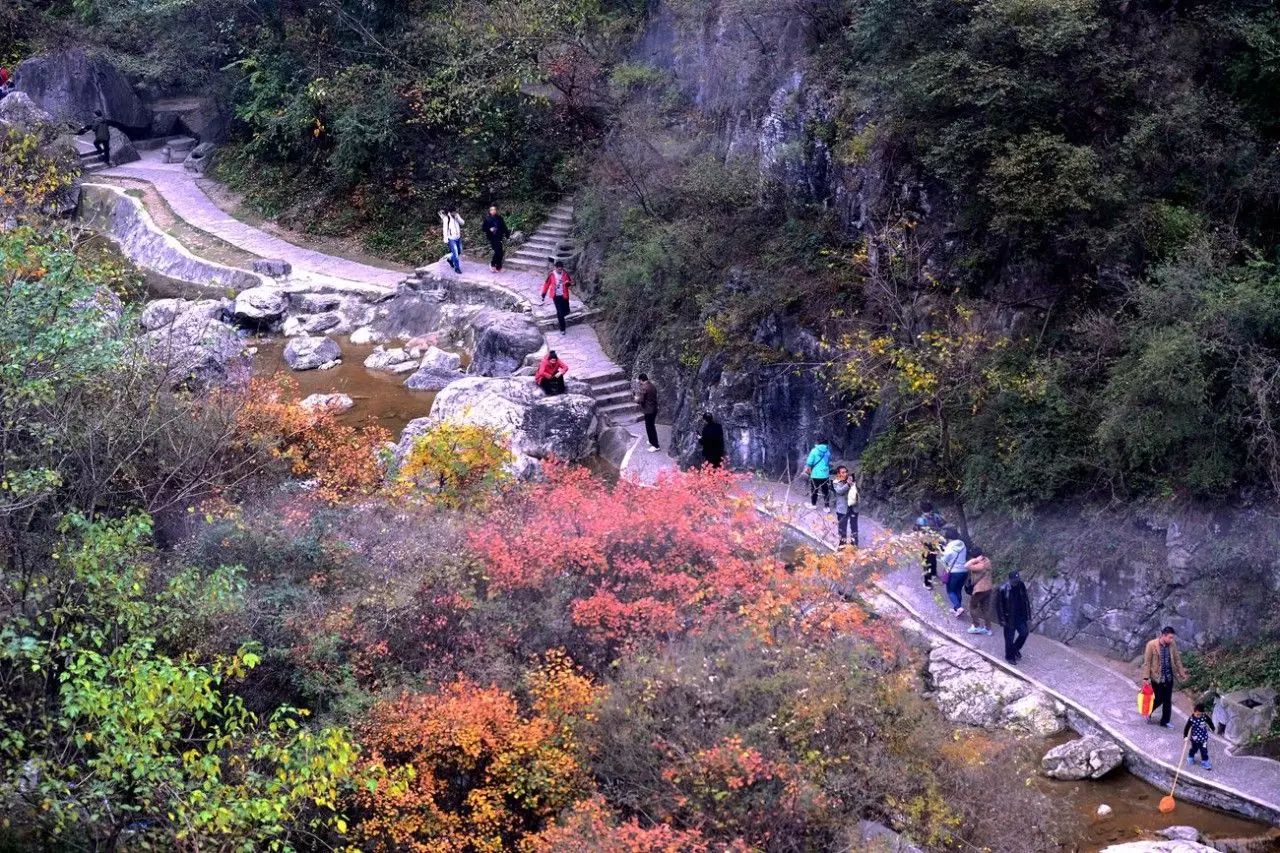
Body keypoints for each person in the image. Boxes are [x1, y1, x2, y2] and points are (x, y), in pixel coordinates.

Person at [1142, 626, 1189, 729]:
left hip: (1168, 677)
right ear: (1163, 635)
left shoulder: (1172, 644)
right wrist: (1146, 678)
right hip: (1157, 677)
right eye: (1170, 637)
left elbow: (1177, 659)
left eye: (1172, 638)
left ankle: (1165, 721)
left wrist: (1182, 673)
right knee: (1158, 698)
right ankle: (1148, 712)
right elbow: (1147, 662)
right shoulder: (1151, 645)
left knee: (1167, 700)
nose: (1171, 640)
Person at [996, 570, 1031, 664]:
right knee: (1009, 638)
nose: (1016, 582)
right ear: (1010, 580)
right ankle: (1009, 657)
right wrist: (1002, 620)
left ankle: (1014, 649)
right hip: (1009, 618)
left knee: (1024, 633)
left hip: (1020, 616)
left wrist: (1028, 616)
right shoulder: (1003, 589)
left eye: (1017, 580)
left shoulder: (1021, 585)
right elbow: (999, 606)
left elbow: (1026, 601)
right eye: (1014, 581)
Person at [915, 500, 946, 589]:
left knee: (926, 562)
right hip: (935, 542)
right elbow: (943, 524)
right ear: (931, 509)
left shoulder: (920, 520)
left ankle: (927, 583)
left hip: (925, 545)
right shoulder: (936, 517)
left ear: (922, 510)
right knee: (933, 558)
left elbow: (917, 532)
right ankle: (934, 574)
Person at [964, 548, 994, 635]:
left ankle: (976, 626)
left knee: (972, 606)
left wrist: (976, 560)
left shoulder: (980, 565)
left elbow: (966, 566)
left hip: (980, 590)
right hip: (988, 588)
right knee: (985, 609)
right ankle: (988, 629)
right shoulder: (987, 560)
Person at [939, 526, 968, 616]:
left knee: (951, 591)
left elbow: (944, 560)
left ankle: (959, 608)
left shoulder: (950, 547)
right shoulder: (962, 544)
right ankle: (956, 609)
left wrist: (941, 552)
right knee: (958, 590)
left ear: (948, 537)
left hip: (954, 572)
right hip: (964, 571)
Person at [541, 260, 572, 334]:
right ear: (555, 268)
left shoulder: (565, 274)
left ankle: (560, 316)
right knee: (560, 313)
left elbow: (570, 282)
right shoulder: (551, 275)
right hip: (556, 297)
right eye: (559, 269)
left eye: (561, 269)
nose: (560, 270)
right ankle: (562, 329)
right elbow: (546, 284)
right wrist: (543, 294)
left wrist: (568, 283)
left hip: (564, 296)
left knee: (567, 311)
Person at [831, 465, 858, 547]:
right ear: (838, 474)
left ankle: (854, 545)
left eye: (846, 472)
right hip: (842, 509)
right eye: (842, 472)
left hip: (852, 507)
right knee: (842, 529)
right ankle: (842, 546)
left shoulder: (850, 480)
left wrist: (853, 483)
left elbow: (856, 492)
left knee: (854, 527)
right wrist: (848, 484)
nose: (845, 474)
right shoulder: (836, 482)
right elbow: (840, 491)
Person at [803, 439, 833, 512]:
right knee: (825, 491)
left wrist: (808, 468)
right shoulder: (828, 452)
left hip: (815, 474)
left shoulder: (814, 451)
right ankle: (827, 507)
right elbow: (829, 462)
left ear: (818, 443)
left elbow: (809, 462)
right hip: (825, 475)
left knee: (814, 490)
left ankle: (813, 505)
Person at [1184, 703, 1215, 770]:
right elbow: (1187, 727)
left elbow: (1210, 722)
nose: (1199, 716)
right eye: (1197, 714)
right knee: (1194, 749)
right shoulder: (1191, 719)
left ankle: (1205, 761)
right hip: (1195, 739)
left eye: (1200, 714)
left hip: (1203, 738)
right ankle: (1190, 756)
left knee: (1204, 750)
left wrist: (1212, 728)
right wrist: (1185, 736)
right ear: (1194, 712)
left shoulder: (1204, 717)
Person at [634, 374, 660, 452]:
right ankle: (651, 441)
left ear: (641, 380)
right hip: (654, 408)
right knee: (650, 426)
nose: (639, 382)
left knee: (650, 428)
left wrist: (636, 399)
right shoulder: (652, 385)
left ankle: (656, 445)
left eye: (639, 381)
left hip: (649, 410)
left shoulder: (644, 388)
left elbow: (641, 400)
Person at [482, 205, 509, 272]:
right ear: (489, 211)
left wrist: (507, 235)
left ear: (496, 210)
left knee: (500, 253)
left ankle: (498, 267)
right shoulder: (487, 219)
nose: (493, 211)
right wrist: (489, 229)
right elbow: (483, 228)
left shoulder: (499, 218)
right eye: (491, 210)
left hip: (499, 236)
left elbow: (504, 227)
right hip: (492, 237)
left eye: (494, 209)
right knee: (498, 252)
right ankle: (492, 264)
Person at [438, 206, 465, 274]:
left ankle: (450, 259)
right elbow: (445, 229)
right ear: (450, 212)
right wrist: (446, 239)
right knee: (455, 254)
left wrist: (457, 218)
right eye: (453, 212)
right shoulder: (446, 218)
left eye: (455, 212)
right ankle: (457, 268)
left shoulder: (457, 215)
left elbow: (463, 223)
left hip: (458, 237)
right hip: (451, 239)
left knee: (459, 251)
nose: (455, 213)